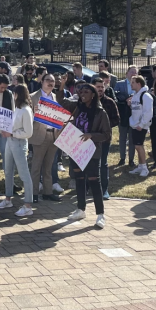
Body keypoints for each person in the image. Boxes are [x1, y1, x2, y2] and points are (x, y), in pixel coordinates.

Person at [58, 82, 112, 228]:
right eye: (81, 92)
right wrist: (62, 86)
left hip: (91, 151)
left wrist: (91, 135)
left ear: (93, 95)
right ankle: (80, 209)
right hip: (76, 149)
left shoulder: (100, 113)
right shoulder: (77, 107)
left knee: (94, 180)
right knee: (79, 178)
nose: (82, 94)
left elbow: (107, 135)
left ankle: (100, 214)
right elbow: (61, 102)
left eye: (86, 92)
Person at [28, 73, 63, 204]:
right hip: (38, 135)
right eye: (48, 80)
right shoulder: (32, 97)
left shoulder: (54, 97)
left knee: (48, 167)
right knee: (36, 166)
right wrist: (34, 114)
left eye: (53, 81)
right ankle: (34, 193)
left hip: (53, 135)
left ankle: (48, 192)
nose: (51, 83)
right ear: (42, 81)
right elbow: (26, 118)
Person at [1, 84, 35, 216]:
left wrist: (12, 134)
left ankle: (28, 205)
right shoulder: (17, 108)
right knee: (8, 170)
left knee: (24, 174)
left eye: (14, 93)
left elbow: (28, 132)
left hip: (19, 143)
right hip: (10, 142)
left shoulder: (26, 110)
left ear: (18, 94)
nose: (13, 96)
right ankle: (8, 199)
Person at [92, 75, 120, 200]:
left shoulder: (109, 102)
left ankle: (104, 190)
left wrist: (104, 127)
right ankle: (89, 188)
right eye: (97, 87)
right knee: (90, 164)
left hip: (104, 139)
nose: (100, 89)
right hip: (89, 139)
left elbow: (117, 119)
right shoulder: (87, 101)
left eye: (102, 87)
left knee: (103, 163)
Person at [126, 75, 153, 177]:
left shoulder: (146, 96)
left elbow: (148, 112)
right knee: (137, 146)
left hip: (141, 126)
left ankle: (144, 168)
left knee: (139, 146)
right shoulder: (135, 95)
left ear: (138, 84)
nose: (131, 84)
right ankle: (141, 166)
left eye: (133, 82)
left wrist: (142, 124)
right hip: (135, 125)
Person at [114, 65, 138, 168]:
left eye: (135, 72)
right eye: (131, 72)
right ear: (127, 73)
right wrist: (126, 99)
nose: (133, 74)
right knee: (122, 137)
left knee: (132, 138)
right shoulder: (119, 84)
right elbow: (116, 95)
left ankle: (131, 159)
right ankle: (122, 158)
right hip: (123, 114)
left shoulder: (139, 84)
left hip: (134, 114)